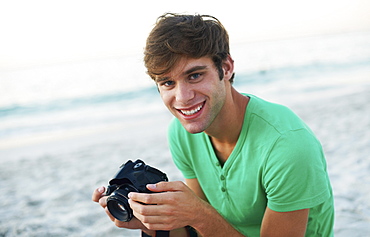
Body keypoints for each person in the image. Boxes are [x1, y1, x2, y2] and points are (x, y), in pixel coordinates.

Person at [92, 13, 334, 236]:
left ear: (226, 68)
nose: (183, 97)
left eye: (194, 75)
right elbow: (199, 233)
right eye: (167, 83)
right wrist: (154, 224)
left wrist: (198, 213)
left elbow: (204, 221)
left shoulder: (287, 146)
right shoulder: (182, 133)